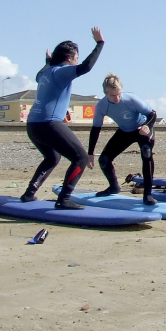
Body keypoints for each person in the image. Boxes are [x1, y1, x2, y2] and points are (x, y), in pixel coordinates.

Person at [20, 27, 104, 209]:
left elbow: (39, 76)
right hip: (48, 124)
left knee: (52, 158)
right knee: (80, 157)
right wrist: (99, 44)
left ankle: (29, 193)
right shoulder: (61, 71)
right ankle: (64, 199)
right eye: (75, 57)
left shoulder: (45, 73)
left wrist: (48, 61)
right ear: (68, 58)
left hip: (33, 125)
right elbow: (86, 67)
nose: (77, 61)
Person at [87, 73, 157, 205]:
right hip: (125, 131)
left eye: (119, 94)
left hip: (142, 129)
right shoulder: (102, 105)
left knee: (146, 153)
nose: (117, 98)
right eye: (113, 96)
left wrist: (147, 126)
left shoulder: (130, 99)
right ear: (105, 93)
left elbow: (152, 114)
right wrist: (90, 153)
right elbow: (96, 128)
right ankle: (114, 186)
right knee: (104, 160)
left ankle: (148, 194)